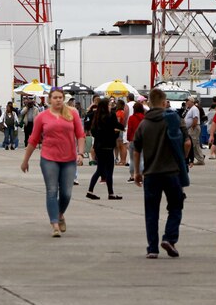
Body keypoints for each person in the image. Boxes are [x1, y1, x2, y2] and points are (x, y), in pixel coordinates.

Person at [133, 88, 191, 259]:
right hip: (172, 172)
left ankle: (152, 249)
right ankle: (169, 238)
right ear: (165, 102)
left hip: (151, 174)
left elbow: (136, 150)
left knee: (151, 211)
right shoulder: (174, 120)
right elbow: (187, 143)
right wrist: (183, 159)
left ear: (149, 102)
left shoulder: (143, 124)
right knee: (175, 206)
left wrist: (137, 172)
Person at [20, 89, 85, 237]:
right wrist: (25, 160)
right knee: (51, 190)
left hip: (69, 159)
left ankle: (60, 213)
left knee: (67, 193)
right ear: (49, 100)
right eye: (55, 98)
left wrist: (80, 153)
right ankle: (55, 223)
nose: (58, 100)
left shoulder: (72, 114)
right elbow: (33, 139)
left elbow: (80, 135)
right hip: (49, 159)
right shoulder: (42, 117)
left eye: (60, 97)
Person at [86, 98, 125, 200]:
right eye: (109, 104)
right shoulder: (110, 115)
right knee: (109, 170)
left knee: (99, 169)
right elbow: (115, 126)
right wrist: (119, 130)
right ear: (105, 106)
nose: (110, 106)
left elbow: (93, 131)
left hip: (99, 146)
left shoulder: (96, 117)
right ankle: (110, 193)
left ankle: (90, 190)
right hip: (107, 146)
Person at [184, 97, 204, 166]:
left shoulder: (194, 109)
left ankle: (191, 159)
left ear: (192, 101)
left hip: (194, 128)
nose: (186, 102)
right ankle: (200, 158)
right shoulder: (190, 109)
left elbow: (195, 118)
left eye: (187, 101)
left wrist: (192, 127)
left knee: (192, 144)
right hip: (192, 127)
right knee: (196, 144)